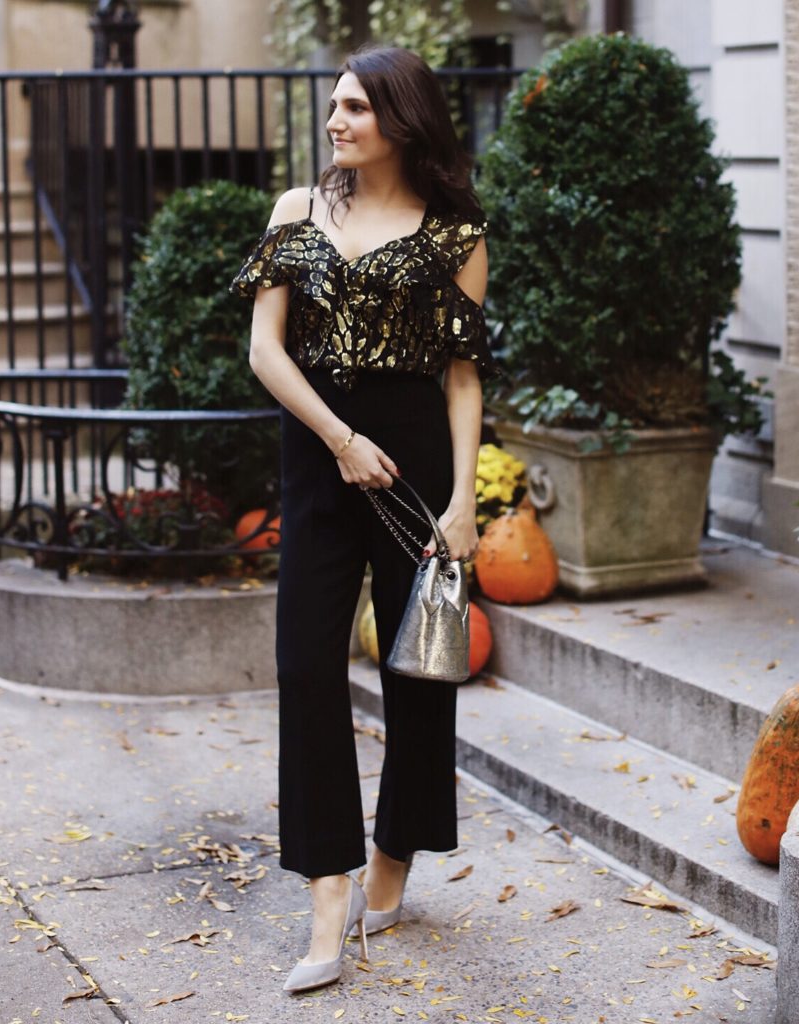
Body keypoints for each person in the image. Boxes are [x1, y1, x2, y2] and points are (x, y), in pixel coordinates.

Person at [230, 44, 495, 994]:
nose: (335, 121)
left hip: (417, 463)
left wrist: (464, 500)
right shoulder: (296, 212)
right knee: (305, 666)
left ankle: (393, 859)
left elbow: (462, 376)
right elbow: (265, 350)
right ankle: (328, 895)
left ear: (401, 119)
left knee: (419, 673)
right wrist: (338, 438)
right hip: (319, 456)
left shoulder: (456, 232)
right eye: (333, 106)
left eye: (353, 108)